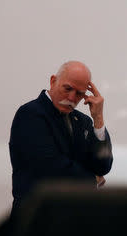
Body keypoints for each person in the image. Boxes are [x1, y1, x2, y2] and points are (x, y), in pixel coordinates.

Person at [9, 61, 113, 215]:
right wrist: (93, 179)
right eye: (68, 88)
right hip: (36, 219)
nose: (72, 97)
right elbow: (50, 167)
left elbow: (103, 165)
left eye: (79, 93)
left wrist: (98, 118)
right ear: (53, 81)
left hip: (72, 220)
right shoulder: (30, 114)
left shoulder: (83, 121)